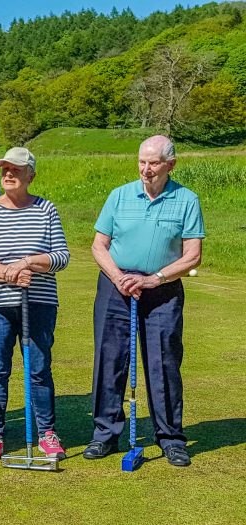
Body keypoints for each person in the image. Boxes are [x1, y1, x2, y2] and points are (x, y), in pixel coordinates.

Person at [85, 135, 204, 467]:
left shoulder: (187, 199)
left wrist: (154, 279)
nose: (146, 169)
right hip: (116, 286)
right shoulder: (119, 195)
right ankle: (105, 434)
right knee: (110, 358)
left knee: (163, 363)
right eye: (142, 162)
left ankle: (170, 438)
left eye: (153, 163)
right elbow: (98, 245)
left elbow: (192, 256)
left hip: (162, 288)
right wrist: (118, 277)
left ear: (170, 165)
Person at [0, 147, 69, 462]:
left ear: (30, 175)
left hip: (38, 302)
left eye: (16, 170)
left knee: (38, 368)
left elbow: (61, 256)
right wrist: (7, 273)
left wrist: (27, 263)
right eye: (5, 169)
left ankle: (47, 433)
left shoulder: (46, 209)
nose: (9, 174)